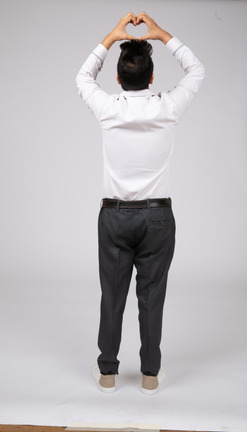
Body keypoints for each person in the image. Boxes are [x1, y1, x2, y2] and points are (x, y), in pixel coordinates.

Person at [76, 11, 205, 395]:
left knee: (112, 295)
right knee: (152, 297)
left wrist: (112, 37)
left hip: (114, 217)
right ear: (152, 77)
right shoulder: (167, 105)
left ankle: (107, 374)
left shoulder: (108, 108)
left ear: (117, 78)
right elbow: (196, 70)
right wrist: (162, 34)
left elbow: (82, 77)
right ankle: (150, 375)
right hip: (157, 218)